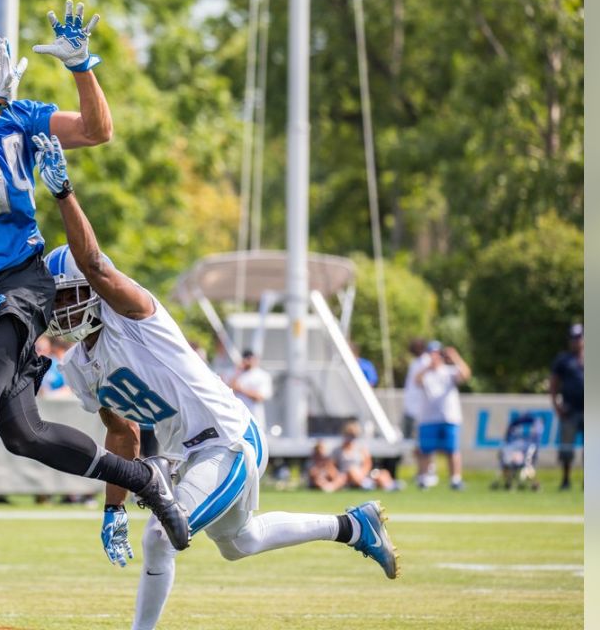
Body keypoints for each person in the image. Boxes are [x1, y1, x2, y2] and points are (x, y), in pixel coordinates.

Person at [33, 134, 398, 628]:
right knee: (240, 542)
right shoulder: (77, 366)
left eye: (64, 296)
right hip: (195, 453)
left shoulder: (135, 316)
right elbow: (123, 434)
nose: (58, 309)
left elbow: (95, 264)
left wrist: (63, 194)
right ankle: (352, 526)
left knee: (160, 538)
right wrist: (111, 510)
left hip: (227, 439)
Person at [0, 3, 188, 586]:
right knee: (23, 434)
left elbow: (98, 130)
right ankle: (144, 480)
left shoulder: (20, 114)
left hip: (23, 277)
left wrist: (83, 67)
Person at [413, 341, 472, 490]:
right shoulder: (424, 371)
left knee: (452, 450)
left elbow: (466, 374)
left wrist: (455, 357)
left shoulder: (449, 371)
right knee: (426, 450)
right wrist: (428, 366)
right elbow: (417, 380)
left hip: (448, 417)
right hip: (428, 418)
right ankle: (425, 478)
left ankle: (455, 479)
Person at [549, 323, 584, 490]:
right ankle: (565, 480)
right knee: (566, 448)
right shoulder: (563, 360)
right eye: (573, 339)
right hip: (570, 410)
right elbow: (554, 384)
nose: (576, 342)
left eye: (578, 338)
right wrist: (556, 405)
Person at [333, 420, 398, 491]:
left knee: (384, 473)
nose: (351, 438)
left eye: (353, 435)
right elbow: (331, 465)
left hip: (361, 474)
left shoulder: (361, 448)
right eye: (349, 435)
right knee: (352, 470)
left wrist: (362, 474)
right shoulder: (338, 450)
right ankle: (366, 484)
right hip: (346, 475)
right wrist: (338, 475)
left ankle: (389, 485)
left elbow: (367, 463)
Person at [227, 350, 273, 431]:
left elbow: (260, 397)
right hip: (237, 418)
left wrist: (241, 390)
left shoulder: (262, 375)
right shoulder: (236, 372)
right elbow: (229, 391)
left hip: (254, 418)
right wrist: (238, 371)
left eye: (249, 358)